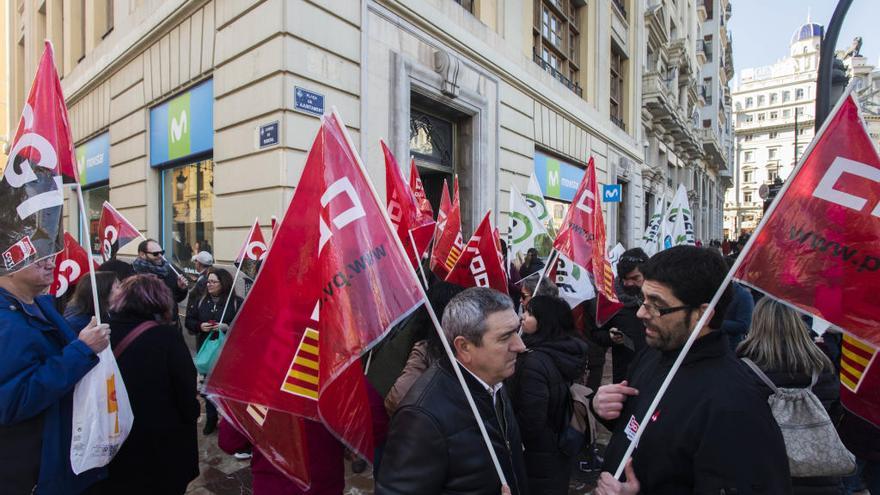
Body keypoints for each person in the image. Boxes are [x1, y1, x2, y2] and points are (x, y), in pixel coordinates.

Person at [592, 246, 791, 494]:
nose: (642, 312)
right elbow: (648, 433)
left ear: (702, 314)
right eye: (644, 299)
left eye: (657, 305)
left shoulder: (734, 405)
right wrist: (606, 410)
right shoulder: (654, 354)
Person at [376, 287, 528, 495]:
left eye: (517, 331)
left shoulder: (495, 379)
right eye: (504, 338)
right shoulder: (421, 418)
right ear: (464, 347)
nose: (520, 346)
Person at [0, 257, 110, 494]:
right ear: (8, 265)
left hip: (58, 456)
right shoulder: (5, 321)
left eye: (49, 256)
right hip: (31, 470)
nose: (51, 264)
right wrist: (82, 350)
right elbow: (13, 400)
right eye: (38, 260)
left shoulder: (38, 305)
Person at [92, 274, 199, 494]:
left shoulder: (100, 333)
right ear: (159, 300)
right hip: (159, 444)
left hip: (113, 436)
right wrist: (192, 413)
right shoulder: (166, 337)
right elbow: (185, 389)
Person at [737, 298, 844, 494]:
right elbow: (836, 411)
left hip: (763, 473)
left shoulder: (742, 369)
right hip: (818, 472)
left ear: (758, 322)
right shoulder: (822, 366)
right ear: (798, 323)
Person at [507, 295, 588, 494]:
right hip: (558, 445)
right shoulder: (563, 350)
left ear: (545, 321)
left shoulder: (534, 361)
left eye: (529, 313)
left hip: (536, 456)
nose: (522, 317)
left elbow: (531, 420)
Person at [184, 267, 243, 436]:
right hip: (206, 353)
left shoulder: (236, 302)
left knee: (227, 389)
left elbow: (245, 326)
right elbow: (189, 320)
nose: (208, 285)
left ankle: (229, 422)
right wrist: (199, 326)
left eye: (213, 281)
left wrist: (227, 327)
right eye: (208, 281)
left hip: (228, 354)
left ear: (223, 284)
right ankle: (211, 418)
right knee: (207, 388)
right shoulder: (201, 301)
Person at [592, 248, 648, 383]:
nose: (628, 284)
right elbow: (596, 333)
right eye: (624, 279)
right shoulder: (610, 299)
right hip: (625, 375)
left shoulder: (661, 297)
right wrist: (610, 337)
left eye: (635, 278)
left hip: (656, 371)